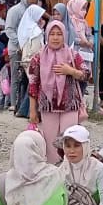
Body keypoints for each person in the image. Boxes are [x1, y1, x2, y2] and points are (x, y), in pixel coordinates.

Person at [28, 21, 89, 165]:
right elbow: (32, 85)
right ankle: (54, 175)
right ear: (47, 36)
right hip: (48, 107)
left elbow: (86, 74)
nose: (56, 38)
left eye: (59, 34)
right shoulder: (38, 58)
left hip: (70, 107)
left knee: (69, 141)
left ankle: (70, 173)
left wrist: (71, 71)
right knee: (50, 144)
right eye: (52, 34)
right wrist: (32, 111)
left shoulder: (72, 54)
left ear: (65, 36)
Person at [5, 0, 40, 116]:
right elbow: (9, 29)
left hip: (30, 51)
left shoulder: (34, 11)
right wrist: (19, 43)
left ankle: (25, 106)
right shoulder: (15, 11)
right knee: (15, 77)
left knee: (29, 78)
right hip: (16, 50)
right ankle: (14, 104)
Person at [16, 3, 48, 119]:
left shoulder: (26, 27)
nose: (41, 18)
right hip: (33, 62)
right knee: (35, 86)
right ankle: (31, 112)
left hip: (27, 61)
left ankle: (23, 110)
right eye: (39, 15)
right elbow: (36, 50)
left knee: (32, 85)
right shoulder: (35, 31)